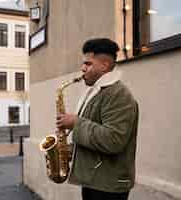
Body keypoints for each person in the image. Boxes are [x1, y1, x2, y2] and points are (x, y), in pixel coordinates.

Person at [56, 38, 139, 200]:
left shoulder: (118, 94)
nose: (82, 69)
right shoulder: (98, 91)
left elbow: (113, 140)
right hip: (95, 181)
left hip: (108, 186)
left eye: (88, 64)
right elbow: (95, 133)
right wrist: (68, 149)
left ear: (105, 66)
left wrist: (75, 123)